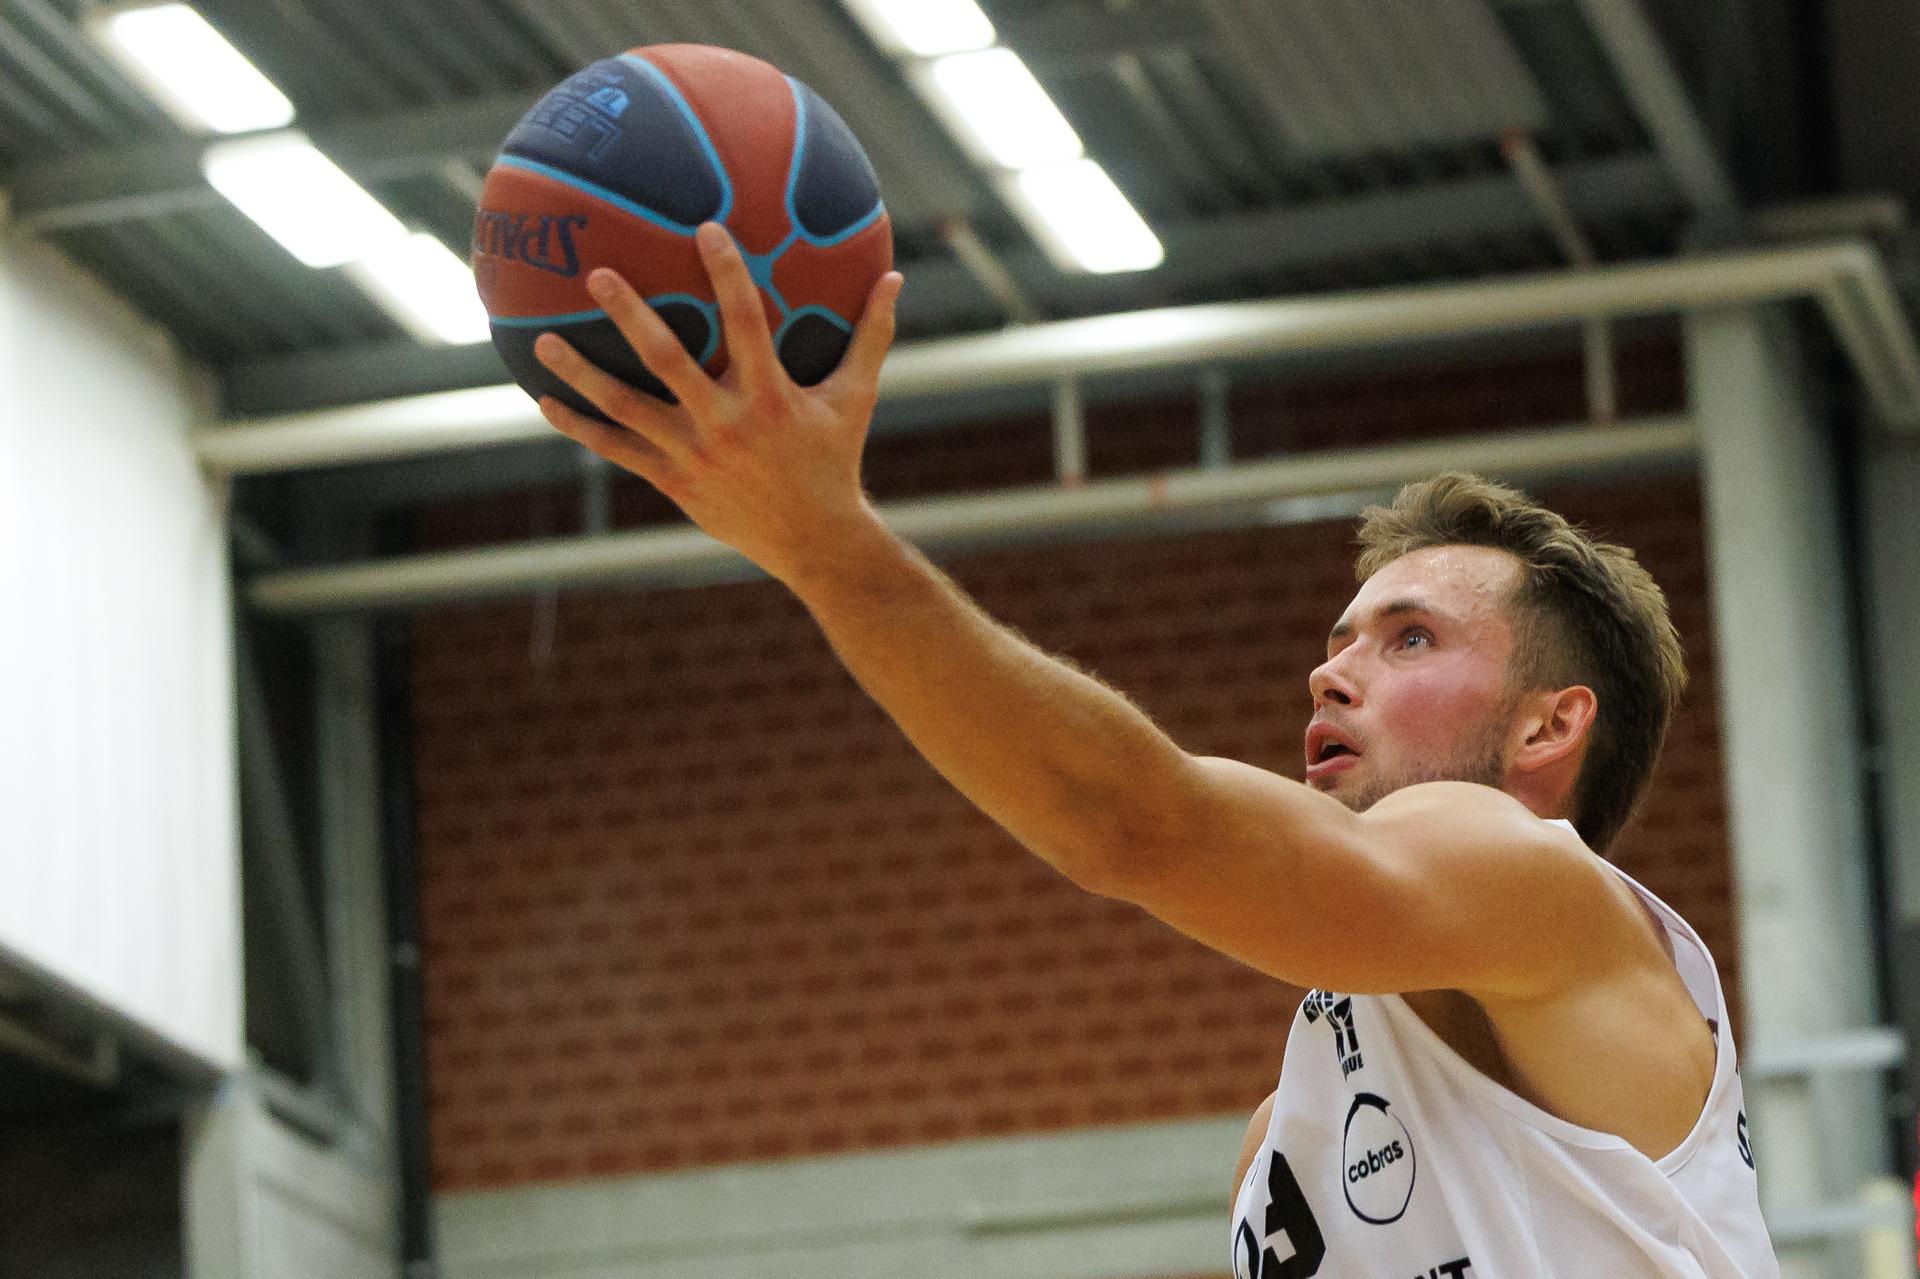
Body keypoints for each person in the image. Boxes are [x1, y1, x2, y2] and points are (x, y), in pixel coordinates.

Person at [530, 222, 1778, 1277]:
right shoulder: (1289, 1137)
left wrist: (824, 545)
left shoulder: (1544, 888)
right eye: (1341, 634)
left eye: (1409, 638)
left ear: (1549, 723)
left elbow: (1137, 825)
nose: (1331, 667)